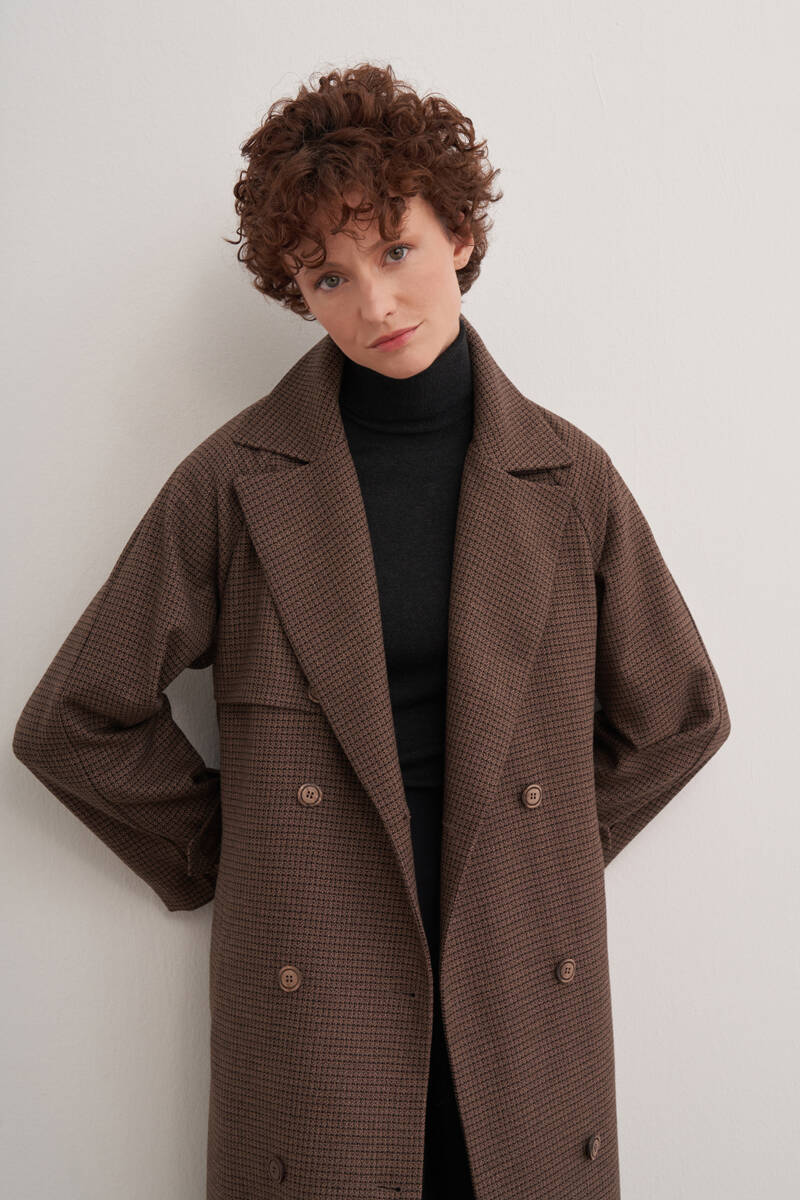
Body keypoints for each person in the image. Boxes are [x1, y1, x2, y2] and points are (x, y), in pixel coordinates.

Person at [13, 63, 730, 1199]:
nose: (375, 305)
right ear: (297, 291)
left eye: (395, 250)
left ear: (458, 233)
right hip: (318, 961)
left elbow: (679, 714)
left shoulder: (568, 478)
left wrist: (538, 850)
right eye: (328, 276)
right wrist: (241, 854)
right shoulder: (236, 481)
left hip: (515, 961)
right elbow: (75, 720)